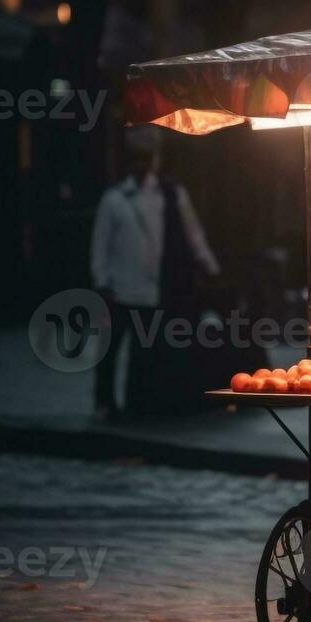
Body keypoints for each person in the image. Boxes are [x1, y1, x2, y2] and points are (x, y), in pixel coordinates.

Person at [90, 127, 221, 419]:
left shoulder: (171, 194)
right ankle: (105, 402)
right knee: (109, 349)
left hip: (153, 289)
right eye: (137, 159)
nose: (142, 165)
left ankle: (140, 403)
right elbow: (100, 245)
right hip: (119, 289)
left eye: (146, 158)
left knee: (145, 352)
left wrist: (211, 269)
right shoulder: (114, 199)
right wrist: (102, 282)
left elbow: (193, 235)